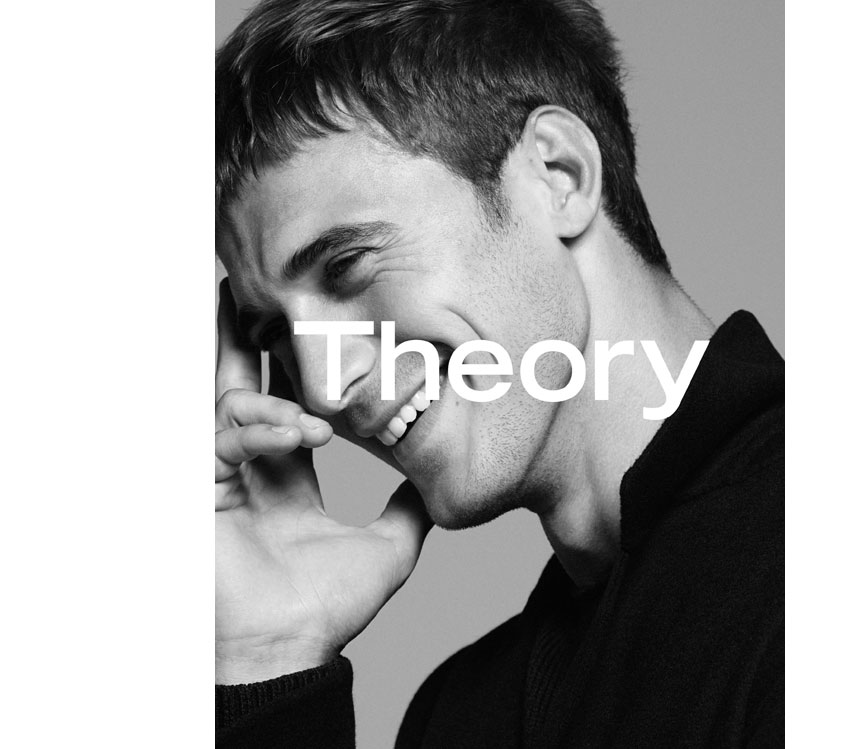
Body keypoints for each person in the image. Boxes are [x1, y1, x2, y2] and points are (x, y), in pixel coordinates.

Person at [214, 0, 784, 746]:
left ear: (558, 175)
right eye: (276, 334)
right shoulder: (457, 719)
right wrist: (271, 661)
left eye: (347, 265)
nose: (323, 387)